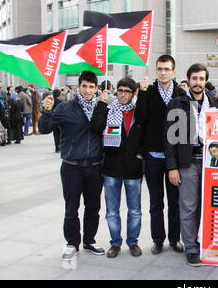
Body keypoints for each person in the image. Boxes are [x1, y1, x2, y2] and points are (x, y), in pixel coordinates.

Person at [39, 70, 105, 260]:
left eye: (91, 86)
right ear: (78, 86)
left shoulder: (102, 107)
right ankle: (71, 243)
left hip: (94, 166)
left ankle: (89, 240)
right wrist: (47, 110)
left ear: (96, 88)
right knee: (71, 209)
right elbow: (44, 128)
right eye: (84, 86)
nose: (87, 90)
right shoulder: (65, 108)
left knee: (93, 208)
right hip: (72, 166)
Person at [164, 63, 218, 266]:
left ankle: (201, 241)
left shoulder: (213, 101)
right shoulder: (177, 103)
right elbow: (169, 139)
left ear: (205, 81)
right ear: (188, 80)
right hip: (187, 163)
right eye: (194, 79)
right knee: (188, 207)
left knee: (205, 207)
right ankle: (191, 248)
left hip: (209, 161)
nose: (198, 83)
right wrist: (172, 167)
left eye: (201, 79)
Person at [135, 54, 185, 255]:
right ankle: (158, 239)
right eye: (159, 69)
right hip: (153, 157)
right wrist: (143, 93)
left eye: (167, 69)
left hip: (174, 158)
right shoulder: (149, 90)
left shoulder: (181, 93)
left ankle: (175, 239)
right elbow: (140, 118)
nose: (163, 72)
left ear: (174, 71)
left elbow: (185, 126)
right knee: (156, 202)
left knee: (175, 202)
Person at [91, 77, 144, 259]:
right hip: (112, 168)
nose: (122, 95)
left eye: (127, 91)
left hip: (133, 168)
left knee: (134, 209)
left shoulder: (138, 112)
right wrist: (101, 103)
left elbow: (146, 133)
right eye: (120, 91)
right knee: (112, 211)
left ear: (133, 93)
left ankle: (133, 242)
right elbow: (96, 127)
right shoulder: (109, 109)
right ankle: (115, 243)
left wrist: (141, 154)